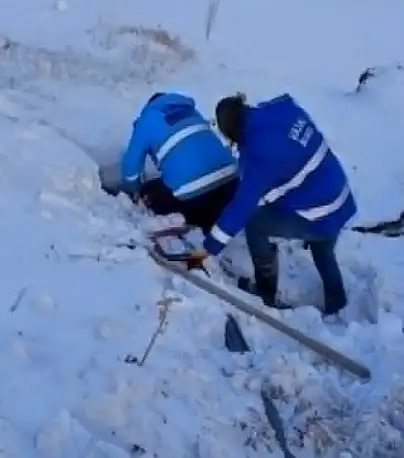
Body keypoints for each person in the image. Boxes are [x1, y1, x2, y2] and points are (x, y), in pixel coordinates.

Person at [189, 92, 357, 315]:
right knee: (323, 246)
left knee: (256, 223)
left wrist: (208, 249)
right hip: (337, 192)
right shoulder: (280, 109)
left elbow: (242, 207)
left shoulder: (259, 156)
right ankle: (337, 303)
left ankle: (265, 290)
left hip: (319, 209)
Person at [117, 92, 239, 234]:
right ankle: (210, 220)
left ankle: (184, 220)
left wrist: (132, 191)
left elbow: (131, 166)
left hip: (194, 197)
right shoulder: (192, 112)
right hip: (231, 186)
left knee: (150, 192)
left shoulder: (147, 120)